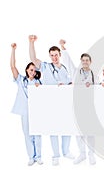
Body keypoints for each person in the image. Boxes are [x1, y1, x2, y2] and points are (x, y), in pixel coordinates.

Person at [29, 35, 74, 166]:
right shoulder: (45, 67)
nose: (54, 57)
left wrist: (68, 85)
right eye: (52, 55)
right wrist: (31, 43)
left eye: (56, 55)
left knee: (67, 127)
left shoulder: (65, 69)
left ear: (60, 54)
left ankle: (66, 151)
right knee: (53, 129)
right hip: (51, 104)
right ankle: (56, 155)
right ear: (49, 56)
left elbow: (69, 83)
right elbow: (33, 58)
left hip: (64, 103)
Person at [10, 43, 43, 166]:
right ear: (27, 70)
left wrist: (39, 88)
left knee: (37, 134)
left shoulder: (39, 82)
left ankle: (39, 156)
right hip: (25, 111)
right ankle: (31, 157)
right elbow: (13, 66)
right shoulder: (21, 80)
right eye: (31, 70)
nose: (33, 72)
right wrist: (13, 50)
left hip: (36, 111)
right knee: (27, 134)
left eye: (35, 70)